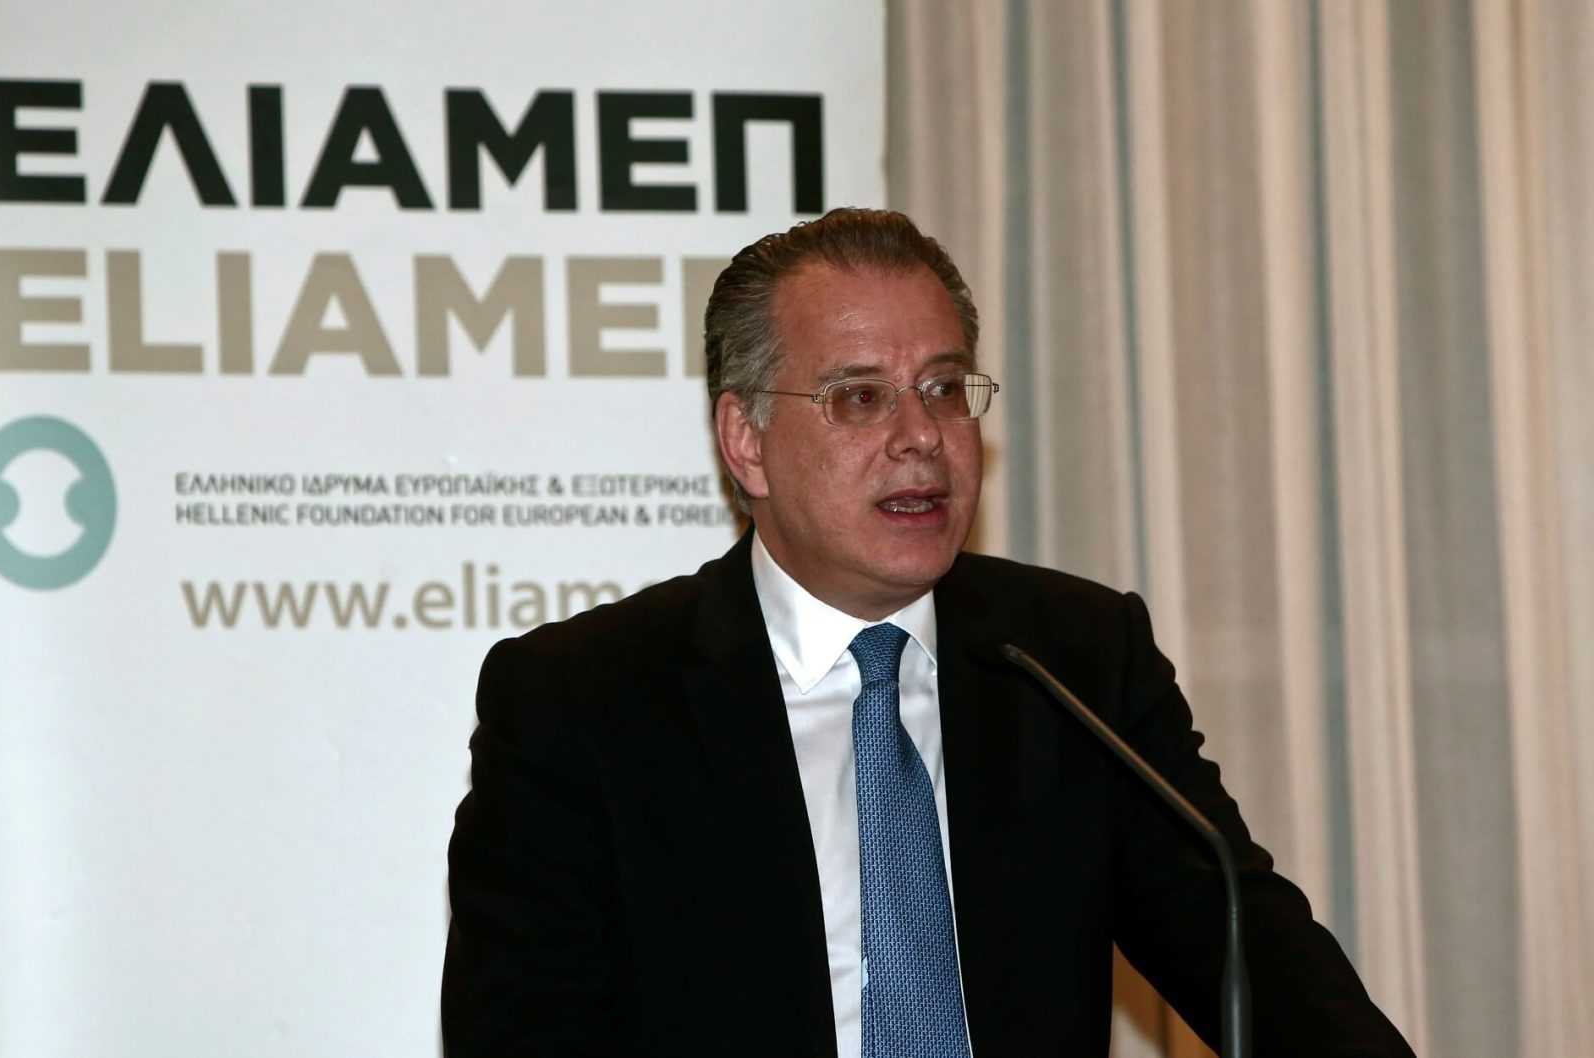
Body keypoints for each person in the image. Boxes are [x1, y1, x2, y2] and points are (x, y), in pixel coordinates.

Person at [441, 208, 1415, 1056]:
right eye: (860, 396)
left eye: (945, 388)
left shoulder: (1073, 660)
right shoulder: (585, 701)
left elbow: (1260, 963)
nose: (922, 436)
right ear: (746, 441)